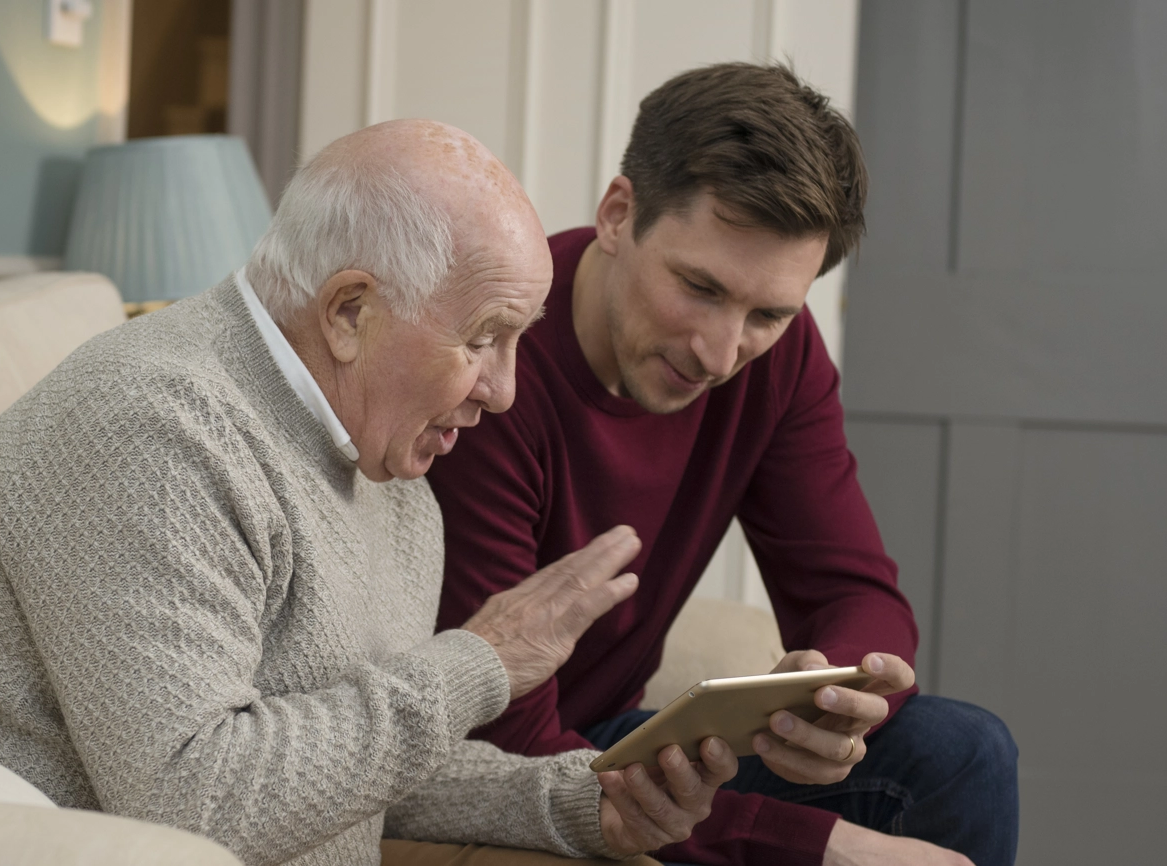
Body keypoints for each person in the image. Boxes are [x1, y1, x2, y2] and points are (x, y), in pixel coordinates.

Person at [0, 120, 742, 866]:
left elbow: (342, 764)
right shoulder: (152, 425)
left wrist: (585, 801)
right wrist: (481, 661)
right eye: (484, 338)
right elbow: (193, 801)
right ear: (348, 312)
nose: (503, 390)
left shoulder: (388, 466)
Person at [427, 64, 1020, 866]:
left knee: (964, 752)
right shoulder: (498, 370)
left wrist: (841, 699)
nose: (720, 351)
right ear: (617, 213)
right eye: (699, 287)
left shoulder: (777, 359)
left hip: (617, 739)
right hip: (493, 758)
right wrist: (818, 843)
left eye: (768, 312)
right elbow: (500, 732)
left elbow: (851, 590)